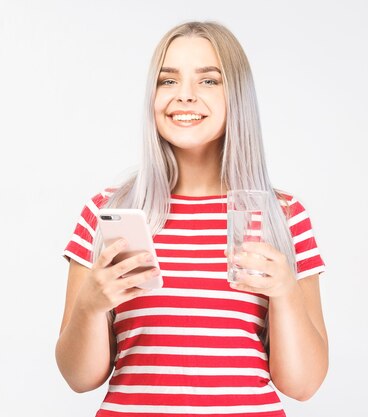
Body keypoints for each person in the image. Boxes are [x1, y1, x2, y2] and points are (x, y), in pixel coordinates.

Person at [55, 21, 328, 417]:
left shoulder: (281, 216)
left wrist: (285, 293)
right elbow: (78, 378)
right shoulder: (106, 213)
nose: (184, 96)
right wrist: (90, 307)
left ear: (237, 96)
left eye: (208, 81)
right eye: (168, 81)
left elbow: (303, 386)